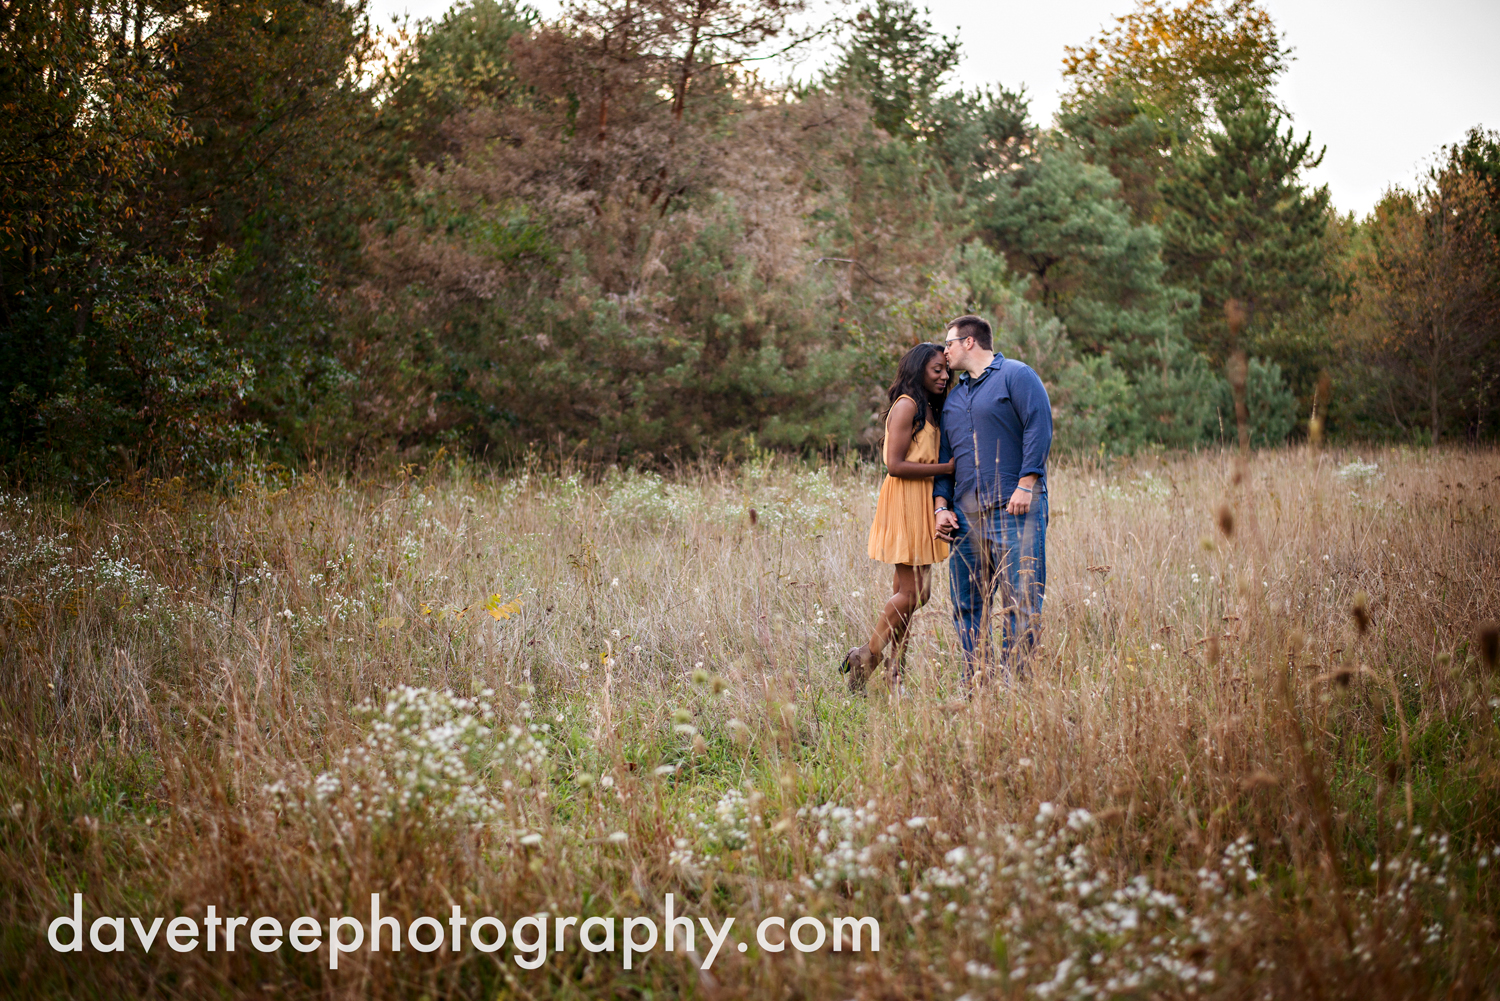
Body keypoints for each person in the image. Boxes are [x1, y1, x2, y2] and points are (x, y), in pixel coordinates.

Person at [932, 315, 1052, 691]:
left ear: (969, 342)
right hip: (966, 520)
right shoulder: (953, 399)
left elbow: (1039, 425)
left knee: (1021, 603)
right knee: (967, 605)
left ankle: (1016, 687)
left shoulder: (1016, 375)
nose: (944, 350)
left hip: (1015, 510)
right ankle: (976, 684)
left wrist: (1026, 482)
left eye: (948, 342)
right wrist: (941, 507)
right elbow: (946, 459)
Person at [842, 343, 955, 693]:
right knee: (915, 592)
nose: (944, 375)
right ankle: (868, 655)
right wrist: (949, 467)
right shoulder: (906, 406)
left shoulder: (929, 409)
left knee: (910, 594)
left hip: (921, 500)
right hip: (905, 499)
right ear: (919, 368)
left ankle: (894, 670)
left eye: (946, 370)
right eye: (937, 369)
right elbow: (894, 465)